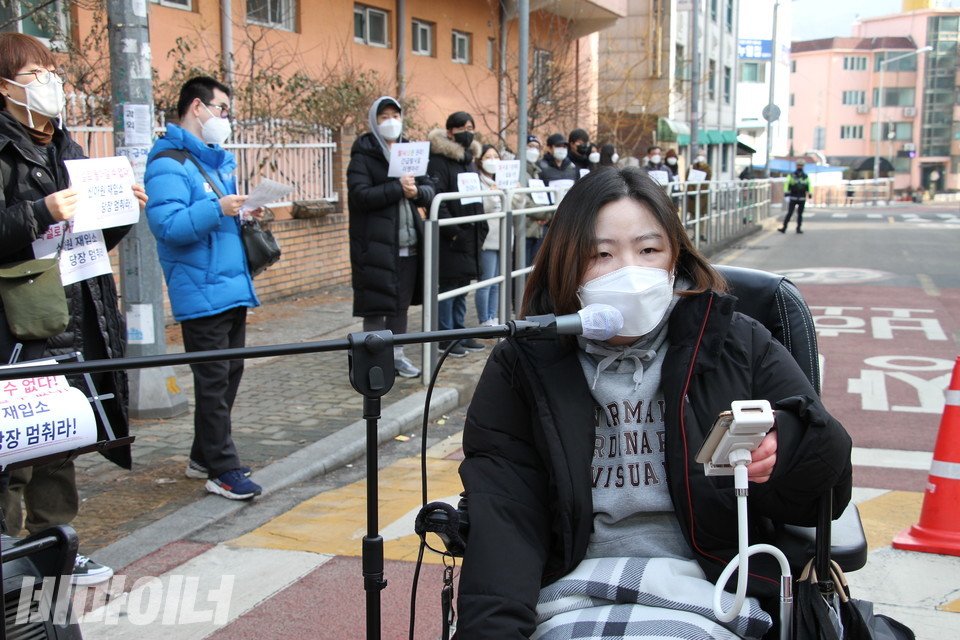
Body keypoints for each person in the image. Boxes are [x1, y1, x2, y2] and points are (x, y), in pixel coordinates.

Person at [455, 166, 853, 638]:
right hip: (568, 592)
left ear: (674, 259)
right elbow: (506, 512)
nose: (629, 272)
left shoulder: (735, 342)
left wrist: (786, 444)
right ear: (566, 264)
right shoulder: (523, 363)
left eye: (648, 251)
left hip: (717, 589)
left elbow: (827, 487)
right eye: (601, 255)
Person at [0, 32, 148, 586]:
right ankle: (9, 560)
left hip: (72, 312)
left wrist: (121, 211)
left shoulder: (62, 145)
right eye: (35, 74)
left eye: (51, 73)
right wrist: (39, 210)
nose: (49, 85)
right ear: (5, 84)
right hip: (19, 322)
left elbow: (84, 235)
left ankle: (55, 547)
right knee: (12, 446)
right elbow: (30, 223)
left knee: (58, 439)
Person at [144, 76, 262, 501]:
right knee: (213, 382)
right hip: (200, 290)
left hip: (230, 286)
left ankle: (202, 457)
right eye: (222, 108)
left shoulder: (215, 161)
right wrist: (218, 207)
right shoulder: (168, 163)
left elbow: (215, 218)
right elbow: (167, 225)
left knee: (228, 376)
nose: (224, 118)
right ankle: (222, 469)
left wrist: (243, 212)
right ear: (197, 107)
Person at [347, 96, 435, 378]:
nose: (391, 122)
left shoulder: (410, 150)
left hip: (409, 242)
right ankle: (372, 359)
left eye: (395, 115)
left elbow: (429, 188)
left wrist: (416, 193)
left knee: (400, 305)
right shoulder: (363, 155)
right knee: (376, 305)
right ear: (374, 121)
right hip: (375, 246)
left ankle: (397, 356)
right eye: (383, 116)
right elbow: (359, 196)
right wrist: (397, 188)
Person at [427, 111, 487, 357]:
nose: (468, 131)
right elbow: (437, 199)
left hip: (471, 234)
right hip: (451, 238)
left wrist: (481, 227)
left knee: (463, 287)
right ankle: (446, 336)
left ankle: (460, 331)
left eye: (471, 126)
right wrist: (454, 232)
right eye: (463, 127)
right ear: (449, 131)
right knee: (449, 288)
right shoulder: (439, 160)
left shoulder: (469, 160)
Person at [475, 144, 504, 327]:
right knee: (485, 281)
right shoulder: (478, 181)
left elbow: (517, 204)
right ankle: (484, 319)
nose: (492, 160)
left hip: (503, 237)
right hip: (487, 237)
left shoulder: (503, 180)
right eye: (488, 157)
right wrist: (493, 194)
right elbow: (483, 206)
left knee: (496, 282)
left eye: (495, 156)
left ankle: (493, 316)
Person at [523, 134, 551, 267]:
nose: (533, 150)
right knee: (521, 271)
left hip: (537, 228)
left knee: (532, 270)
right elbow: (523, 201)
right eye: (530, 146)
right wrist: (543, 213)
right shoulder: (519, 170)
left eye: (536, 147)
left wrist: (544, 213)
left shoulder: (536, 171)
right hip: (524, 228)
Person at [780, 160, 811, 234]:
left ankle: (798, 228)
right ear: (796, 166)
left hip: (802, 198)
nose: (799, 167)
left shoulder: (805, 176)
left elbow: (809, 186)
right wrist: (786, 195)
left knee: (800, 214)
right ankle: (784, 227)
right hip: (793, 197)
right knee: (790, 213)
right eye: (798, 165)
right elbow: (787, 185)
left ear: (803, 166)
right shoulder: (791, 175)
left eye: (801, 165)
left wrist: (810, 196)